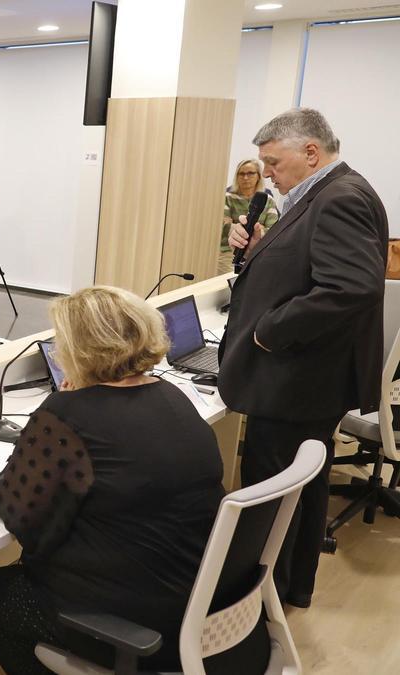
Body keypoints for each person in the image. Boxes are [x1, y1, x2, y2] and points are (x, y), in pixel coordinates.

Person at [0, 286, 236, 675]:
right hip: (204, 595)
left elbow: (15, 510)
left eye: (62, 342)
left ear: (82, 350)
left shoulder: (69, 415)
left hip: (140, 624)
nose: (59, 351)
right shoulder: (173, 395)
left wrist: (53, 416)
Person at [220, 107, 388, 608]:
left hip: (296, 378)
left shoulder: (340, 197)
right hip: (308, 378)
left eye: (273, 162)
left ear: (310, 152)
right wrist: (257, 250)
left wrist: (270, 331)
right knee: (303, 486)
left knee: (275, 492)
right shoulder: (325, 192)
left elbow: (349, 287)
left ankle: (255, 599)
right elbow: (306, 263)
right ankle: (291, 587)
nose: (266, 173)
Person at [219, 159, 281, 275]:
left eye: (250, 173)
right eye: (241, 174)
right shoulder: (227, 197)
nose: (245, 177)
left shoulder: (267, 199)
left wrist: (237, 224)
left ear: (258, 176)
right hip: (228, 252)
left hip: (260, 252)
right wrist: (258, 228)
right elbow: (223, 227)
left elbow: (273, 231)